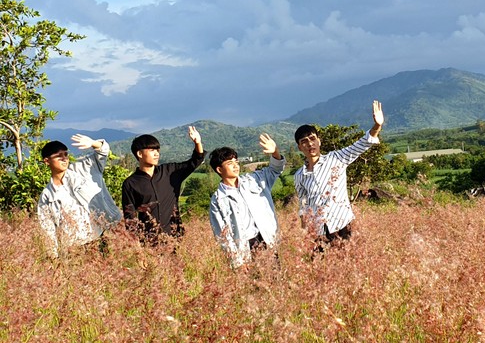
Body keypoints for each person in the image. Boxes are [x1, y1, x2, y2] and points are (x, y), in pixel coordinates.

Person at [293, 100, 384, 248]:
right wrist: (305, 230)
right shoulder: (299, 175)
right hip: (318, 231)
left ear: (319, 141)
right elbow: (303, 204)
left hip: (343, 225)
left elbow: (360, 145)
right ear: (299, 147)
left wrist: (377, 126)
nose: (309, 144)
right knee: (322, 269)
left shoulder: (336, 158)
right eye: (304, 141)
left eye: (312, 139)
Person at [37, 134, 123, 257]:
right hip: (72, 249)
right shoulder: (47, 195)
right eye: (58, 156)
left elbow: (103, 151)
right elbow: (47, 228)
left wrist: (93, 143)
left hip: (99, 238)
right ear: (47, 161)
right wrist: (53, 256)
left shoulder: (83, 169)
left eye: (65, 155)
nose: (64, 159)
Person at [208, 133, 285, 268]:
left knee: (276, 283)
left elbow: (275, 169)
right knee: (253, 286)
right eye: (230, 163)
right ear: (219, 169)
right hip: (245, 247)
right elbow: (222, 235)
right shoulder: (218, 200)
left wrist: (275, 152)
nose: (235, 166)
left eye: (236, 162)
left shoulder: (254, 179)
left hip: (267, 239)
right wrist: (237, 262)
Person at [121, 126, 204, 243]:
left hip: (175, 238)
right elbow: (130, 218)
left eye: (158, 150)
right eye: (152, 150)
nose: (156, 154)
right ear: (139, 153)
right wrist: (136, 247)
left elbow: (195, 161)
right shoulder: (130, 183)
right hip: (148, 242)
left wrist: (197, 143)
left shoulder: (170, 172)